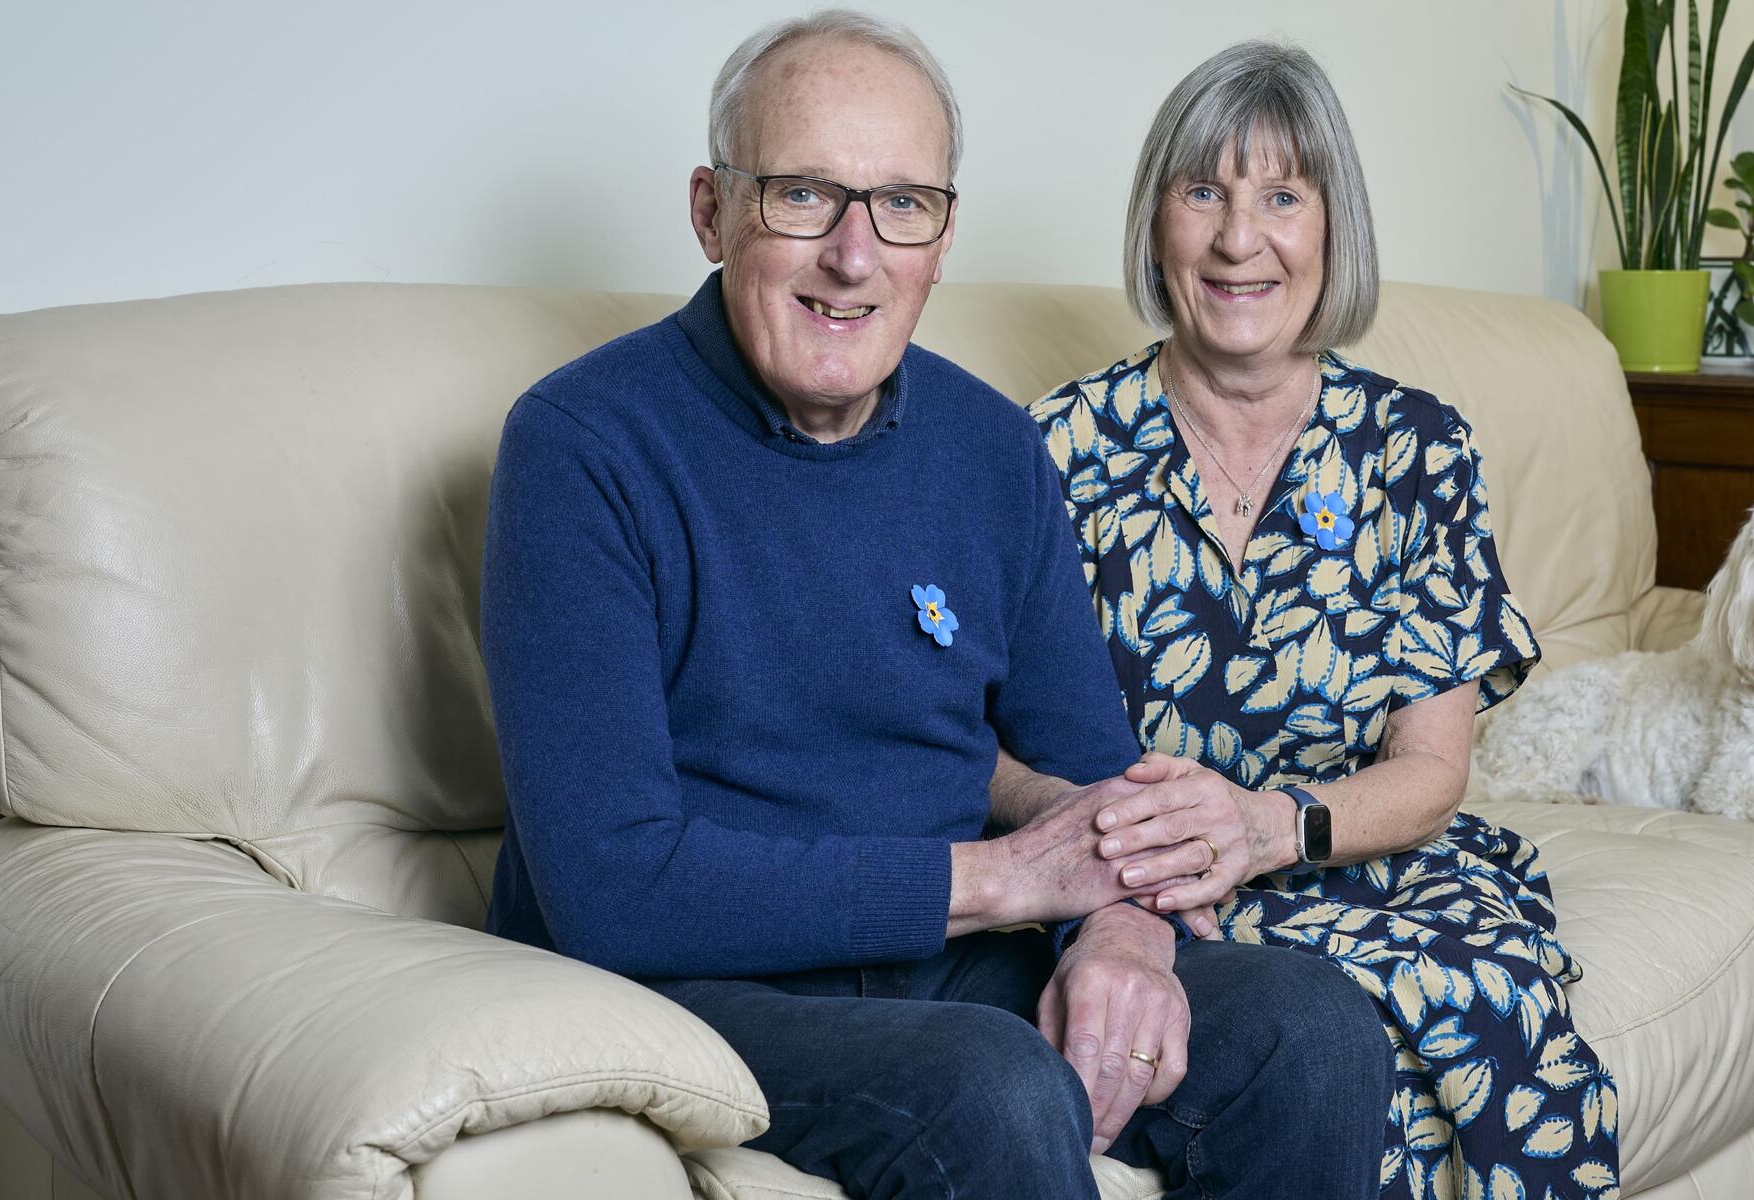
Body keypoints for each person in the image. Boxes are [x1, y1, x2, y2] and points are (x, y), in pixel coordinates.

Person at [478, 12, 1392, 1199]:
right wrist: (1006, 882)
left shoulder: (992, 448)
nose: (853, 255)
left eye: (902, 204)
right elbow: (612, 887)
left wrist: (1122, 935)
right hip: (700, 983)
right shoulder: (582, 445)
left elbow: (1094, 779)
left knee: (1308, 1031)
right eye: (802, 195)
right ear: (711, 211)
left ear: (943, 235)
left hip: (939, 964)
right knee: (992, 1086)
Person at [1024, 41, 1621, 1200]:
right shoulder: (1054, 449)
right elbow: (990, 737)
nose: (1239, 239)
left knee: (1506, 1028)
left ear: (1335, 225)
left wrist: (1266, 828)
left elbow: (1432, 768)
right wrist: (1136, 860)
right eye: (1204, 193)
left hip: (1354, 856)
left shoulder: (1418, 449)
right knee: (1343, 1081)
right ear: (1156, 223)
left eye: (1283, 197)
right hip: (1149, 895)